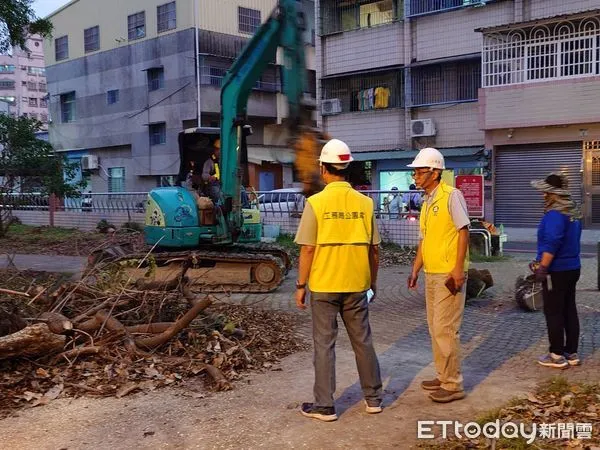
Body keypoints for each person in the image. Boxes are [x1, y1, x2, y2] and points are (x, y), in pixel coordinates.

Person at [294, 138, 383, 422]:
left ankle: (325, 405)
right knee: (363, 342)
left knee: (324, 344)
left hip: (324, 286)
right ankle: (373, 399)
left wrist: (300, 285)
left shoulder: (316, 203)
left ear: (323, 168)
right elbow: (374, 249)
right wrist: (373, 282)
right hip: (357, 283)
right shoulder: (365, 203)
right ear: (347, 167)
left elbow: (308, 248)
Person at [406, 147, 470, 403]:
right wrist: (415, 268)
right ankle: (443, 375)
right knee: (435, 329)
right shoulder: (427, 200)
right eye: (415, 173)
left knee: (445, 329)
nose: (416, 177)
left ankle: (453, 384)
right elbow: (424, 239)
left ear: (434, 172)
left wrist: (457, 269)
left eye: (420, 172)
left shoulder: (451, 196)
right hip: (432, 272)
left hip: (447, 274)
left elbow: (463, 231)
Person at [530, 173, 582, 369]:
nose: (543, 195)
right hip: (573, 268)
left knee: (553, 311)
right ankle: (572, 352)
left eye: (545, 191)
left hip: (556, 270)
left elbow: (552, 242)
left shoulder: (555, 215)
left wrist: (542, 267)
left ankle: (556, 355)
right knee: (569, 309)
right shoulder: (572, 212)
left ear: (552, 193)